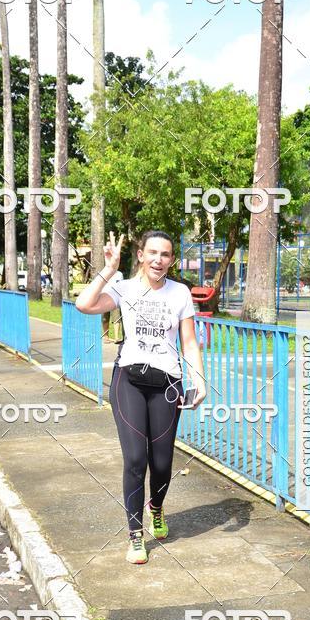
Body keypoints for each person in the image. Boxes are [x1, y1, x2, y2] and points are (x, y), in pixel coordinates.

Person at [76, 231, 206, 565]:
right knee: (136, 459)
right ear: (140, 255)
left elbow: (189, 342)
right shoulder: (125, 288)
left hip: (167, 383)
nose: (158, 260)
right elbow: (84, 304)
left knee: (161, 463)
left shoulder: (180, 293)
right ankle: (135, 535)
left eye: (165, 254)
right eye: (152, 253)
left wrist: (200, 380)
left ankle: (157, 508)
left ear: (172, 259)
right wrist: (109, 268)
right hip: (129, 381)